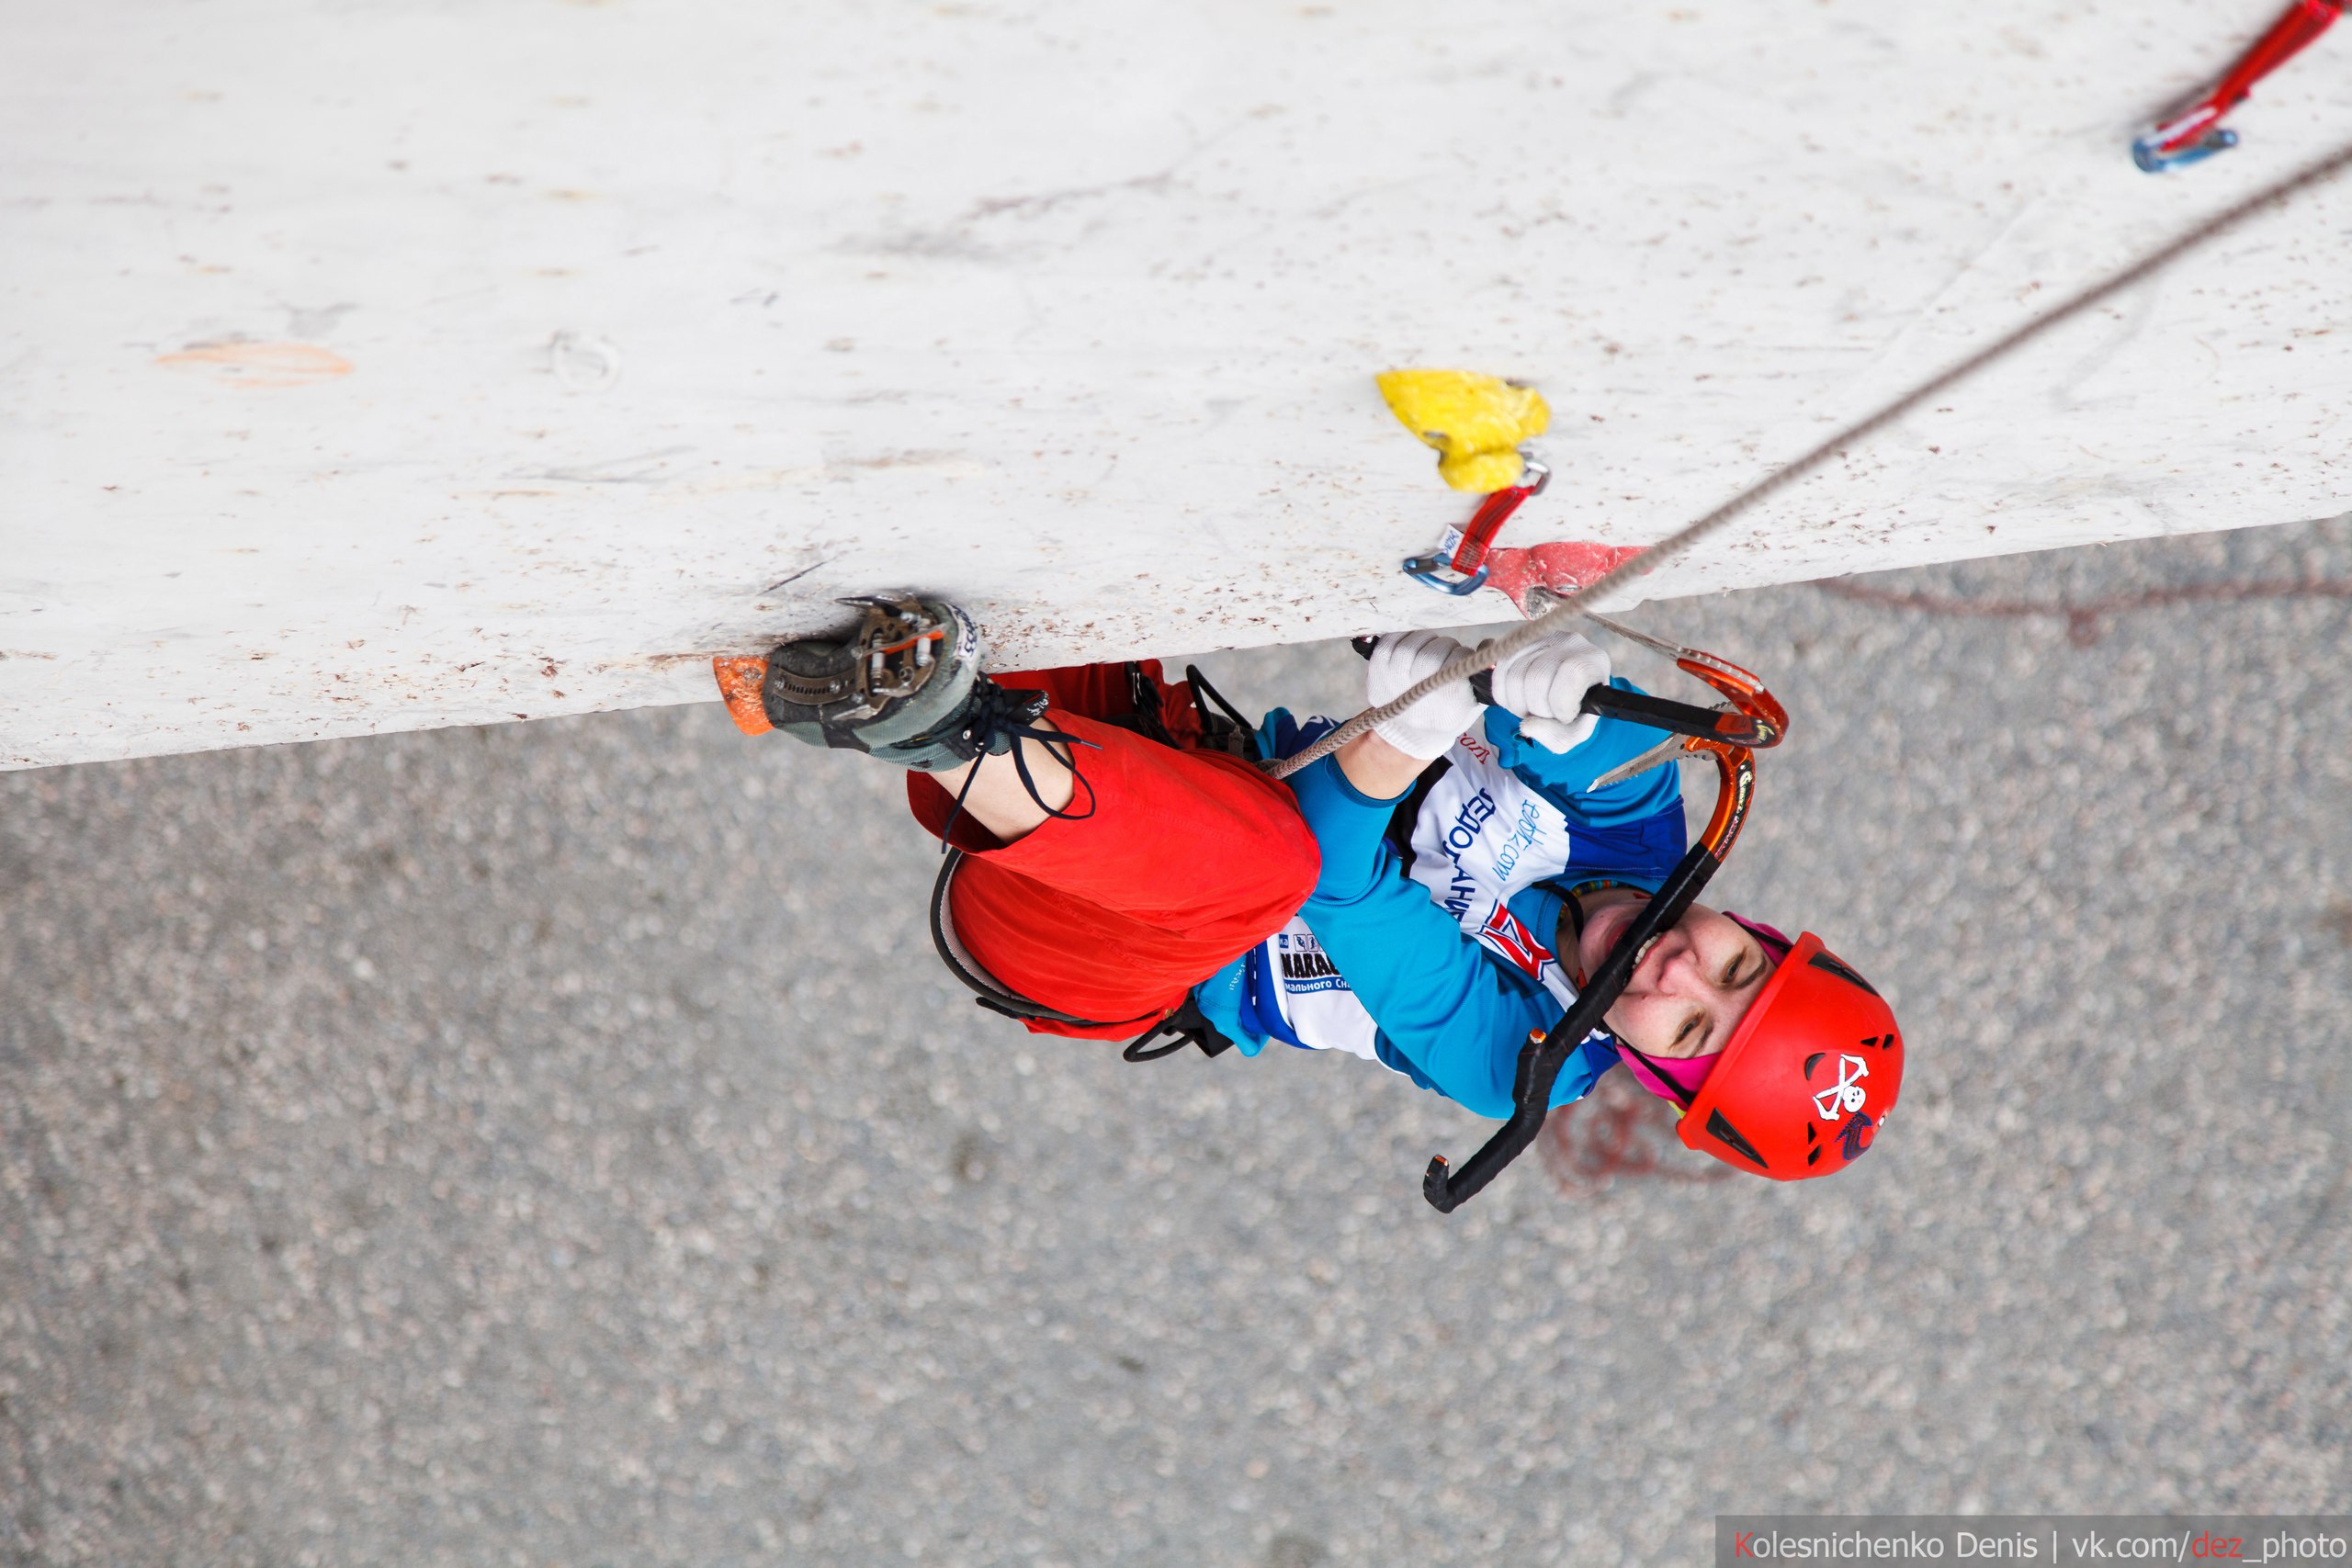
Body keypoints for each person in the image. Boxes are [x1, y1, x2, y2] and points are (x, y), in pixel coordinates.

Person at [718, 595, 1903, 1183]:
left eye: (1692, 1025)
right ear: (1751, 923)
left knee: (1268, 864)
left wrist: (1395, 749)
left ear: (1653, 1071)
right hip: (1164, 768)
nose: (1680, 968)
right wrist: (1546, 687)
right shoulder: (1649, 838)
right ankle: (836, 679)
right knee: (996, 570)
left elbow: (1334, 878)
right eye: (1737, 961)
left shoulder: (1513, 1057)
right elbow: (1587, 752)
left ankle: (929, 729)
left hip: (1113, 941)